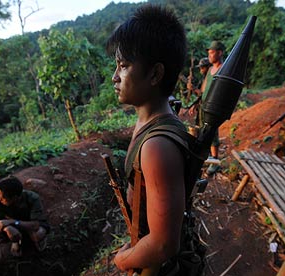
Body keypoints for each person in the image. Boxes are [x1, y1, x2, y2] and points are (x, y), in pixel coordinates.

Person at [106, 4, 197, 274]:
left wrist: (122, 260)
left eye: (123, 66)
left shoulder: (157, 147)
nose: (115, 77)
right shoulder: (149, 119)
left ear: (155, 74)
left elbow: (162, 245)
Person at [0, 176, 49, 256]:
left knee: (38, 234)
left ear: (15, 198)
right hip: (13, 225)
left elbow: (35, 224)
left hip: (30, 223)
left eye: (3, 198)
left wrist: (13, 222)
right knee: (2, 235)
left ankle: (36, 241)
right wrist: (7, 228)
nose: (0, 199)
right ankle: (16, 241)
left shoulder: (32, 198)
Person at [200, 41, 225, 175]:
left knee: (213, 132)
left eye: (212, 52)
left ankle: (215, 161)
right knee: (204, 130)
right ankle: (207, 156)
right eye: (208, 53)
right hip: (204, 105)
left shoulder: (224, 69)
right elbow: (204, 88)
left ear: (220, 53)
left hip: (214, 107)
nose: (209, 55)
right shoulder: (210, 69)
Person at [188, 57, 211, 125]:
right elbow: (199, 95)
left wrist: (193, 89)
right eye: (200, 68)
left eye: (202, 67)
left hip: (208, 109)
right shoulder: (203, 79)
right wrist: (194, 105)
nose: (201, 70)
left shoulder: (211, 79)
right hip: (201, 108)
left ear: (208, 67)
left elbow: (205, 94)